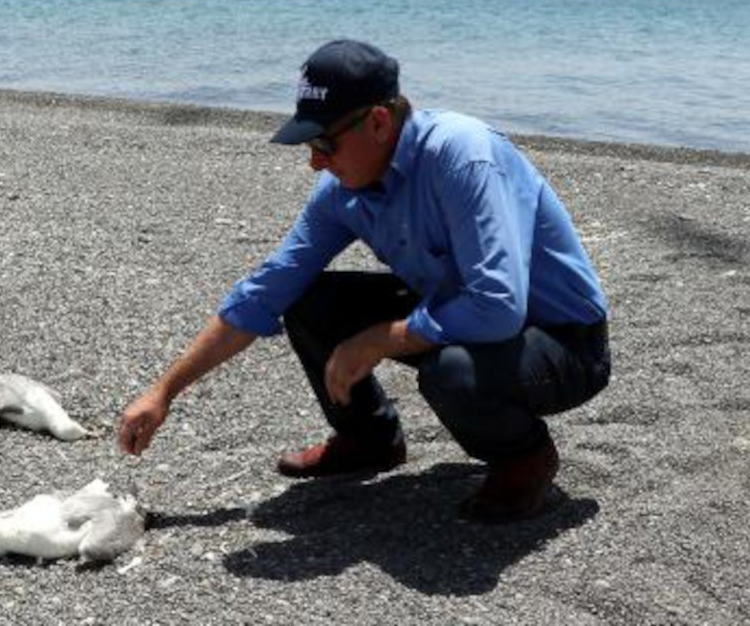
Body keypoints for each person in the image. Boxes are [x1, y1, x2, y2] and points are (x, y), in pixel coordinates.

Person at [117, 39, 611, 523]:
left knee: (452, 372)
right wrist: (164, 392)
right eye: (310, 146)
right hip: (460, 311)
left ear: (378, 121)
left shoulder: (463, 155)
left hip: (561, 343)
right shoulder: (342, 189)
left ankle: (524, 457)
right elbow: (266, 290)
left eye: (323, 143)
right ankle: (370, 442)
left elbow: (499, 305)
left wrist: (381, 338)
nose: (315, 161)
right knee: (311, 302)